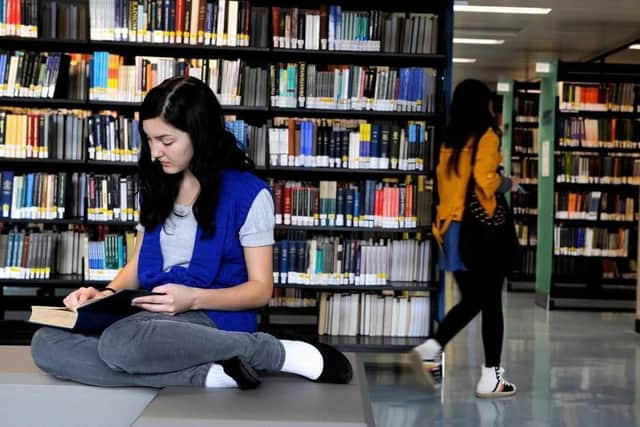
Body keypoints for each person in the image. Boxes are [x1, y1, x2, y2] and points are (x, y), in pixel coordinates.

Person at [31, 76, 352, 389]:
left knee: (120, 345)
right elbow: (137, 266)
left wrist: (193, 298)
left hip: (212, 317)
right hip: (148, 313)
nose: (155, 152)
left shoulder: (249, 194)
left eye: (166, 141)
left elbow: (260, 289)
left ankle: (268, 351)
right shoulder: (156, 186)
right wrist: (104, 296)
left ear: (199, 135)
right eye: (149, 139)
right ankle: (212, 374)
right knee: (45, 342)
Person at [409, 79, 517, 398]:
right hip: (481, 232)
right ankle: (490, 378)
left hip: (451, 230)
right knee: (491, 303)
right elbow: (486, 181)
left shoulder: (448, 137)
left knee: (473, 300)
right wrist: (509, 182)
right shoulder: (486, 135)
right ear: (483, 105)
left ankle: (432, 348)